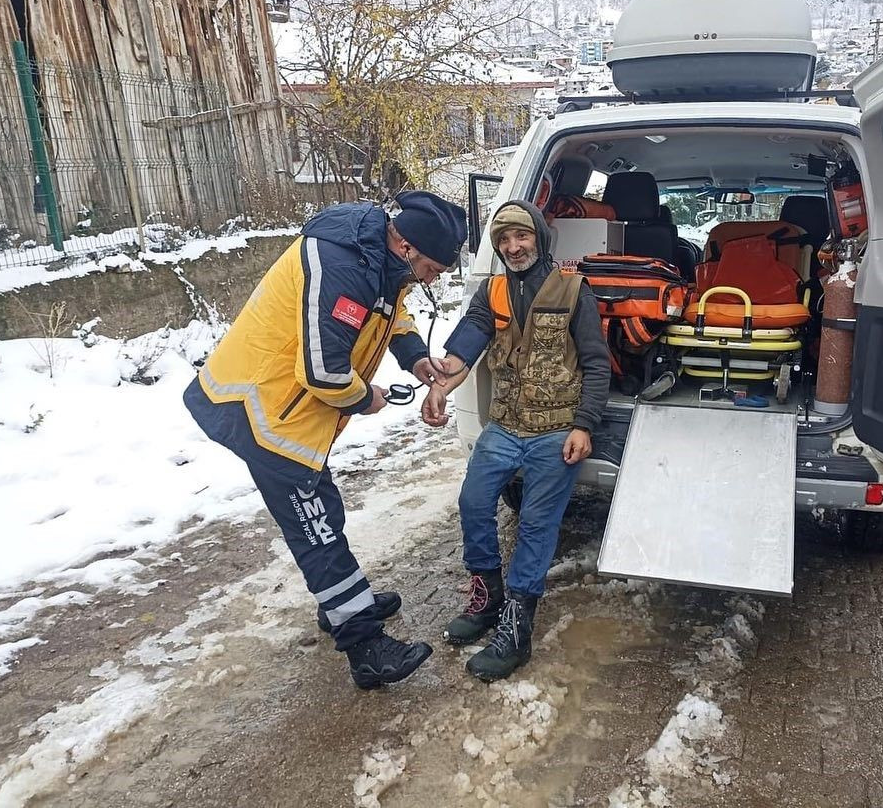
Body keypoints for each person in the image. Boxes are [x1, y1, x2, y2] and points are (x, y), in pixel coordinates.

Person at [183, 191, 466, 690]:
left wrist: (417, 359)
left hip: (288, 412)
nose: (432, 279)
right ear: (406, 248)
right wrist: (367, 398)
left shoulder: (379, 257)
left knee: (323, 509)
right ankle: (365, 647)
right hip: (259, 408)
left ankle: (339, 603)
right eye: (433, 269)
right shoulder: (342, 266)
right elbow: (322, 371)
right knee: (316, 528)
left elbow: (391, 314)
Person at [421, 200, 609, 681]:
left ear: (539, 239)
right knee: (473, 503)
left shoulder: (573, 289)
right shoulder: (493, 290)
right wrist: (442, 384)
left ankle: (517, 629)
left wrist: (584, 425)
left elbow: (595, 362)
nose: (512, 247)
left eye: (520, 237)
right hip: (504, 425)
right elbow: (468, 341)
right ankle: (488, 599)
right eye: (503, 240)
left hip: (555, 430)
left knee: (536, 526)